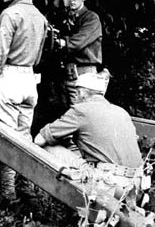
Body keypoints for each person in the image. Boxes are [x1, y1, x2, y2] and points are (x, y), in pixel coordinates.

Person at [0, 0, 48, 203]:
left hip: (9, 80)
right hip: (29, 81)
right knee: (24, 139)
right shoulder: (40, 18)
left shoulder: (10, 14)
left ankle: (8, 196)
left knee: (6, 142)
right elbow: (39, 56)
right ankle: (28, 191)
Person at [33, 70, 144, 199]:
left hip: (110, 184)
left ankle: (48, 199)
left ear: (82, 93)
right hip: (136, 185)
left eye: (77, 93)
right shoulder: (122, 112)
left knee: (49, 148)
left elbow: (38, 140)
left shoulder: (81, 110)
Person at [56, 0, 103, 106]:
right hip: (67, 77)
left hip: (85, 78)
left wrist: (61, 42)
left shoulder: (91, 18)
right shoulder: (66, 19)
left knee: (82, 118)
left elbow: (78, 42)